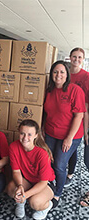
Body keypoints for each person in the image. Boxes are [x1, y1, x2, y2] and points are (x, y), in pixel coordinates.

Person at [43, 60, 86, 207]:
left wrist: (69, 138)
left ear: (67, 74)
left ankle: (57, 193)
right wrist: (42, 128)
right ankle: (48, 185)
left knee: (60, 165)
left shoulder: (75, 90)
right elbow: (46, 112)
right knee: (48, 160)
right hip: (50, 133)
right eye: (55, 72)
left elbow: (79, 116)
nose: (58, 75)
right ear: (51, 75)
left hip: (70, 135)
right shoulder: (49, 90)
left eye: (62, 72)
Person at [7, 119, 55, 220]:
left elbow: (43, 182)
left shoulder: (42, 153)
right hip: (28, 179)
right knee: (11, 189)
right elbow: (16, 171)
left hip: (45, 183)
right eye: (22, 134)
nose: (25, 138)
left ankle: (47, 206)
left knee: (34, 202)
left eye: (29, 134)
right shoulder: (13, 147)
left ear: (36, 135)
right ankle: (21, 204)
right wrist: (20, 186)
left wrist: (26, 194)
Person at [64, 48, 89, 188]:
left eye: (80, 57)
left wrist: (86, 130)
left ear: (83, 60)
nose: (76, 60)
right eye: (74, 56)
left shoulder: (86, 76)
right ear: (70, 57)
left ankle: (70, 174)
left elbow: (86, 104)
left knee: (73, 145)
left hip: (79, 116)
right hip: (64, 115)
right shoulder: (65, 74)